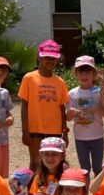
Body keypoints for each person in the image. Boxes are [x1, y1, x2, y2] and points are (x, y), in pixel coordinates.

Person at [18, 39, 68, 170]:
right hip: (35, 130)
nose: (50, 61)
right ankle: (33, 184)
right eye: (47, 57)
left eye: (53, 58)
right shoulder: (29, 78)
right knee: (36, 163)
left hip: (55, 131)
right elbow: (24, 106)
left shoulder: (60, 82)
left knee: (55, 164)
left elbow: (62, 108)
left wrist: (65, 132)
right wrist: (25, 131)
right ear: (38, 57)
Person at [66, 56, 104, 179]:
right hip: (80, 138)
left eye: (88, 72)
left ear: (94, 74)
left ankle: (98, 191)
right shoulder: (72, 93)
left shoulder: (99, 92)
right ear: (76, 74)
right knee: (84, 170)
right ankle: (85, 191)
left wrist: (96, 109)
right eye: (81, 72)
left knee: (98, 169)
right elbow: (68, 118)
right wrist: (72, 112)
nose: (84, 75)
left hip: (97, 136)